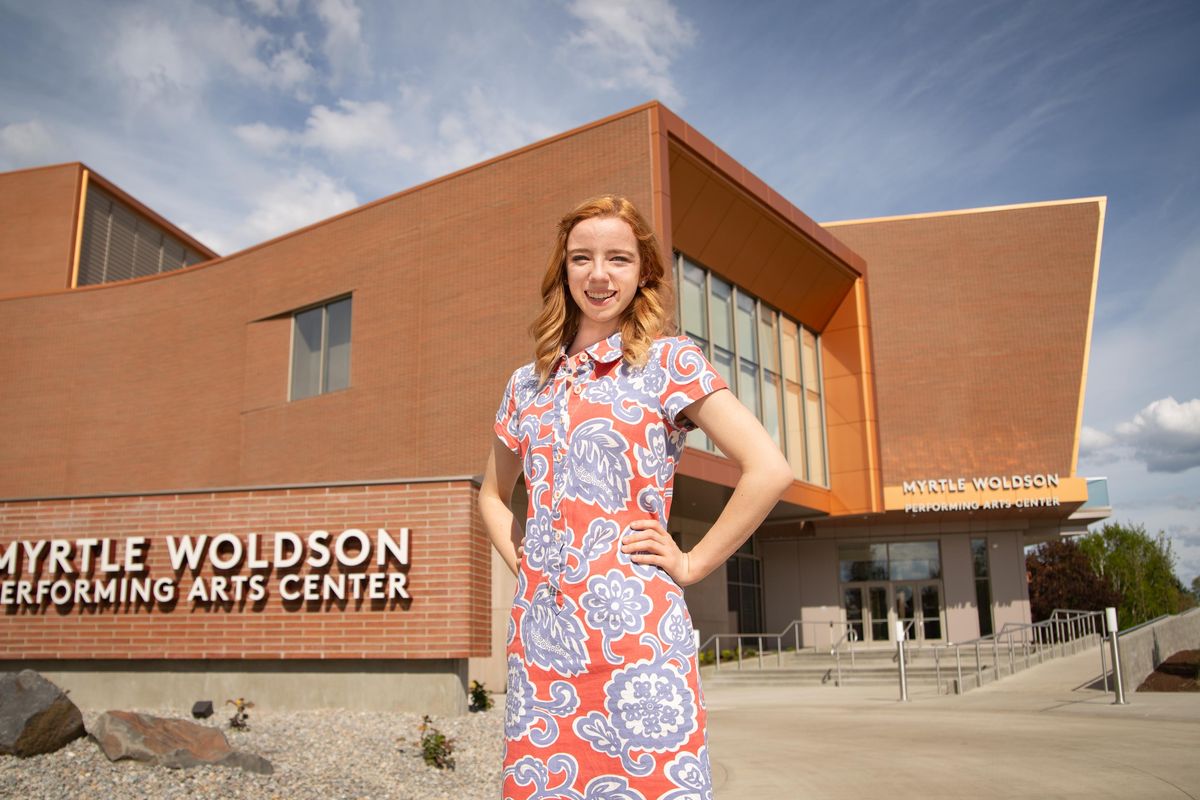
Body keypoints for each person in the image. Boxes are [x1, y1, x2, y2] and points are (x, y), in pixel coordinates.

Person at [478, 195, 793, 799]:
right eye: (582, 258)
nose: (599, 274)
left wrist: (692, 562)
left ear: (642, 272)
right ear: (563, 270)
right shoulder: (526, 385)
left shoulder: (668, 362)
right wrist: (527, 566)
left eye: (618, 259)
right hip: (543, 645)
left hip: (637, 647)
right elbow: (493, 496)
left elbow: (768, 468)